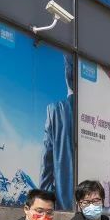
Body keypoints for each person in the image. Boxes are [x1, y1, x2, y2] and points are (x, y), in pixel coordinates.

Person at [41, 57, 75, 210]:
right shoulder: (97, 115)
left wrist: (43, 203)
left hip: (64, 205)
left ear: (67, 75)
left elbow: (46, 164)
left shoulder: (55, 111)